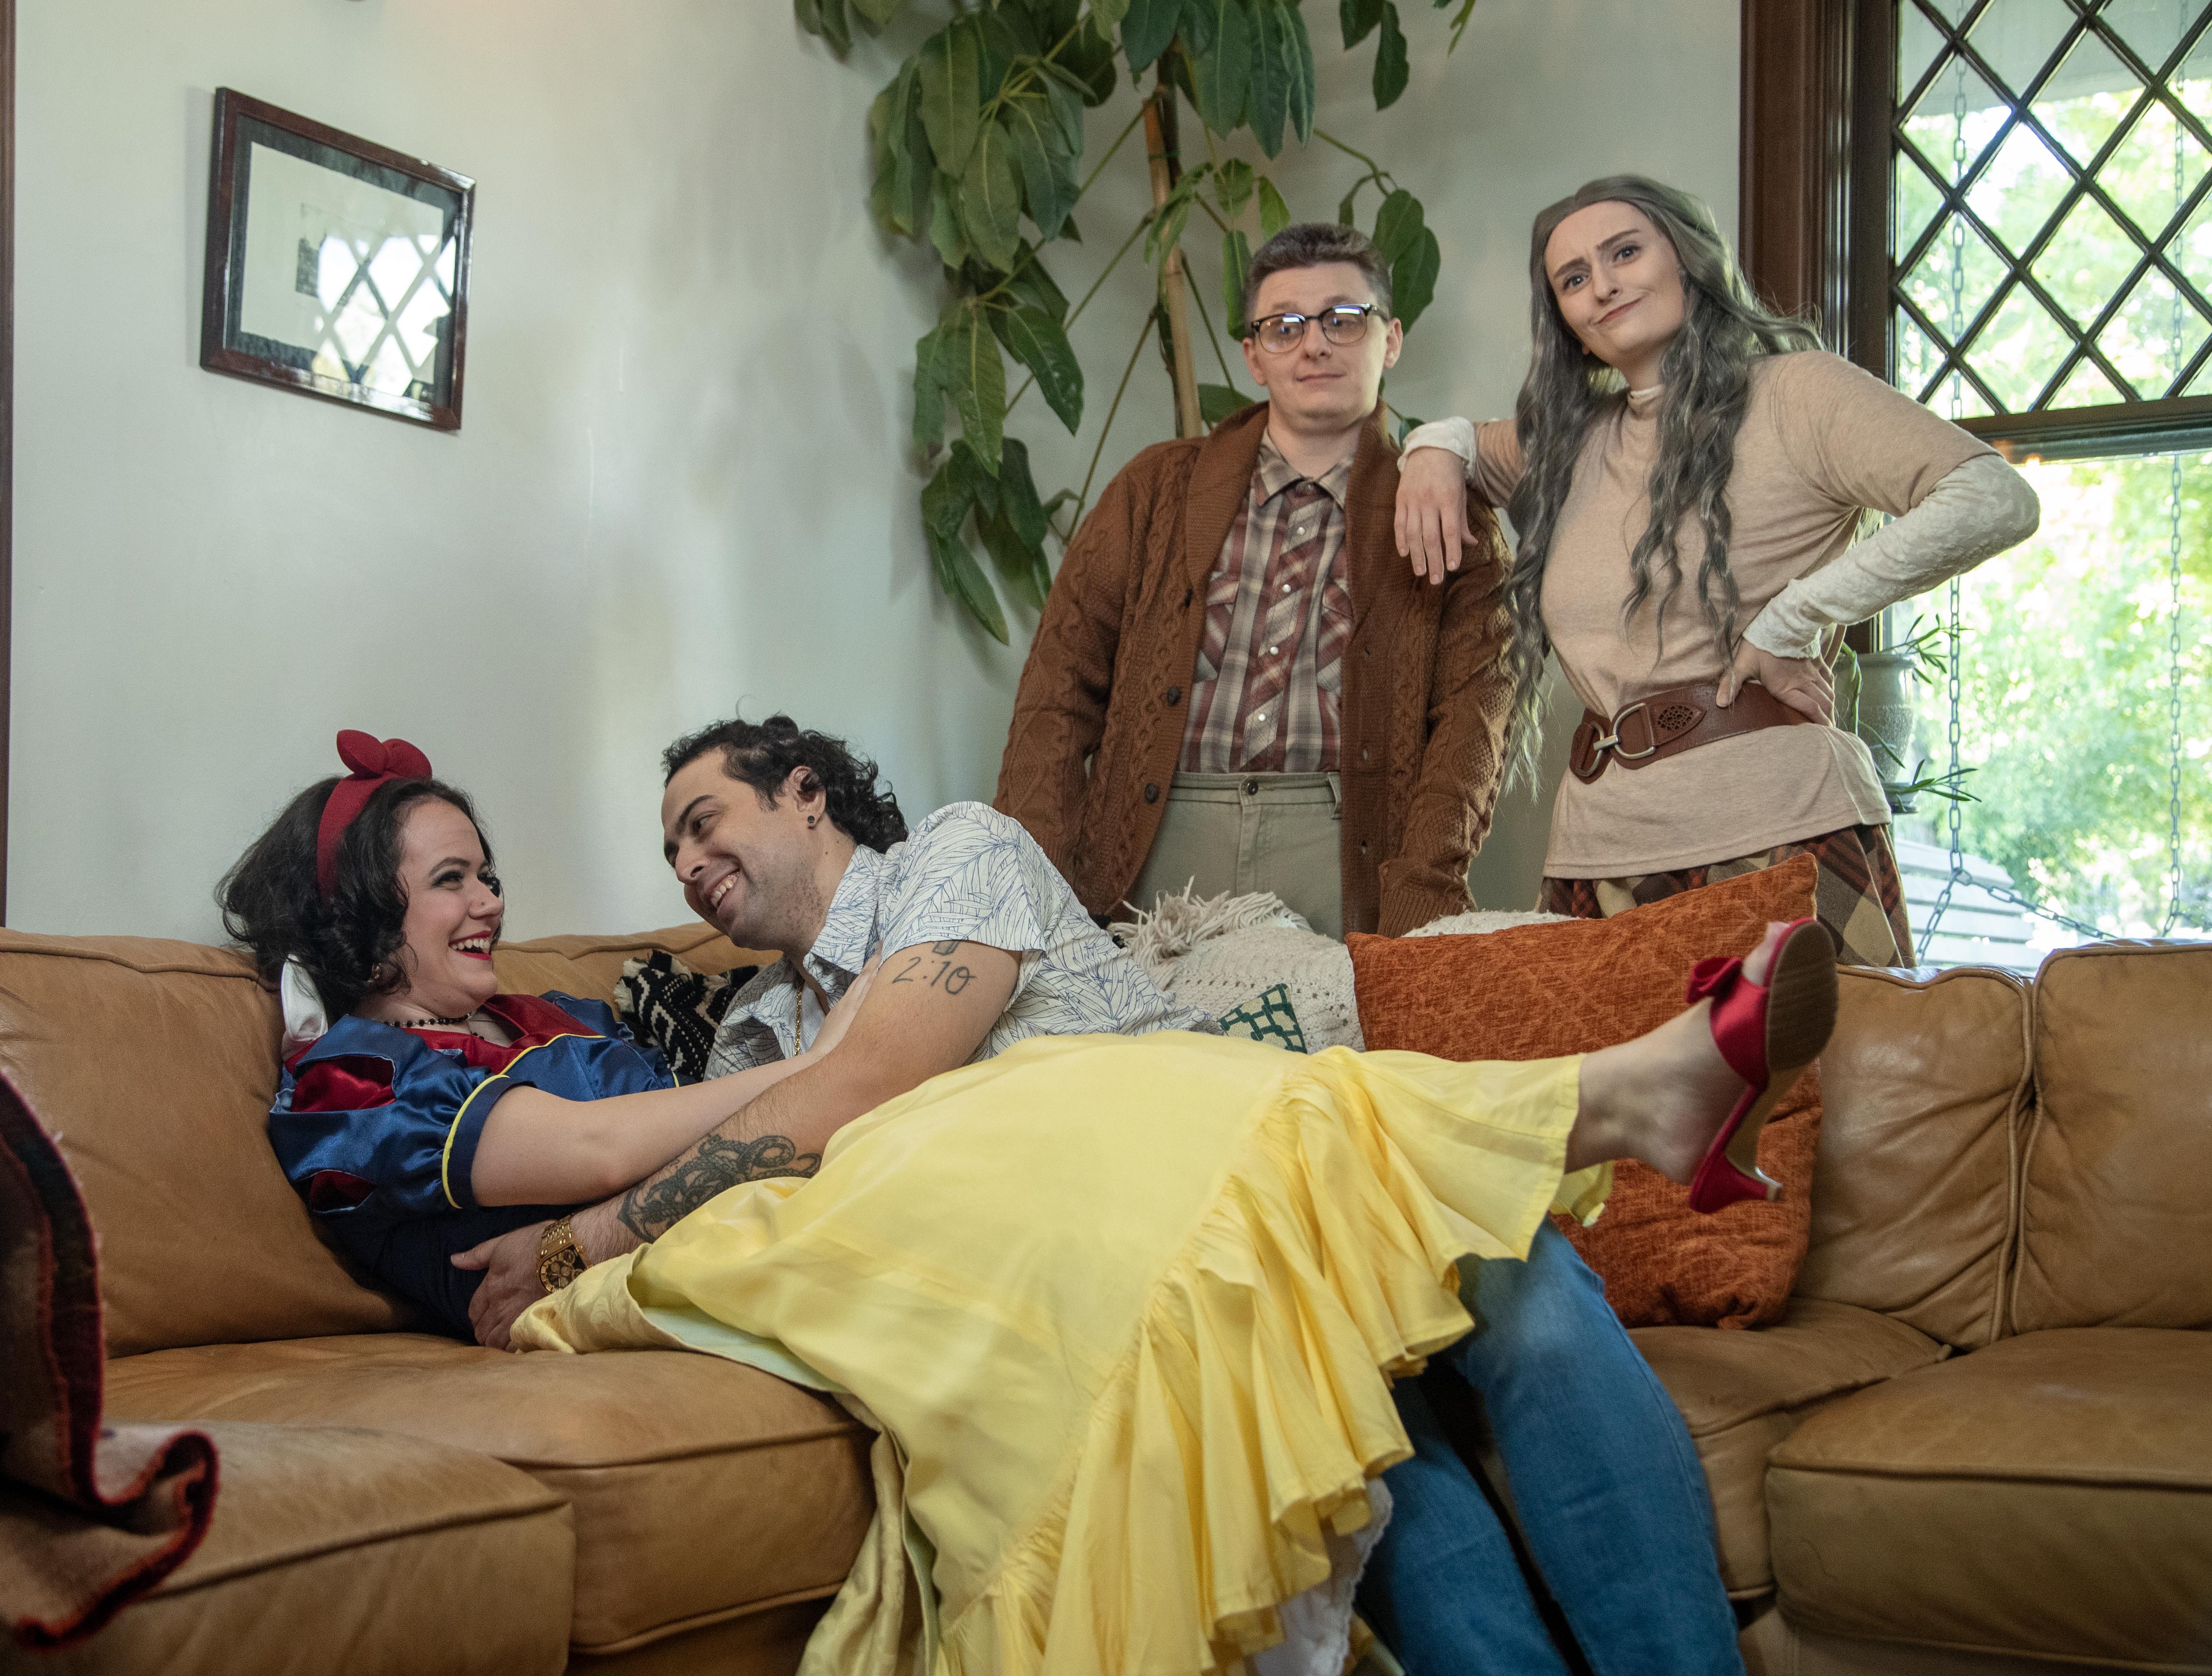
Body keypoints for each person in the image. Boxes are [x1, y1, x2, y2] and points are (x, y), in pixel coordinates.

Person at [457, 714, 1765, 1673]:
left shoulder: (950, 857)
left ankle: (1612, 1100)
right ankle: (1616, 1097)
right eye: (669, 850)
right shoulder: (750, 1038)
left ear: (807, 794)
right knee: (1356, 1461)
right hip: (1127, 1279)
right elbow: (780, 1180)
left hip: (1244, 1160)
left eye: (704, 820)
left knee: (1525, 1298)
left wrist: (581, 1245)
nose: (685, 863)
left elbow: (860, 1087)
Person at [1393, 174, 2041, 967]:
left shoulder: (1798, 392)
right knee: (1601, 1095)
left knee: (1829, 1091)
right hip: (1600, 851)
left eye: (1624, 252)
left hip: (1782, 829)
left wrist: (1791, 618)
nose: (1602, 286)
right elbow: (1457, 439)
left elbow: (1992, 496)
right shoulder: (1568, 441)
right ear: (1564, 320)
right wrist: (1431, 450)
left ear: (1689, 258)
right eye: (1572, 279)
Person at [215, 730, 875, 1335]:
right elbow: (600, 1149)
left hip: (739, 1232)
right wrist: (824, 1061)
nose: (491, 903)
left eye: (486, 877)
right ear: (360, 913)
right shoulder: (353, 1085)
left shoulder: (549, 1017)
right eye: (452, 880)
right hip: (620, 1301)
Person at [995, 222, 1512, 944]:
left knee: (1331, 1056)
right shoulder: (1154, 490)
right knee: (1142, 1057)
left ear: (1389, 340)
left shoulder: (1447, 510)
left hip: (1344, 851)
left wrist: (1420, 891)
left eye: (1343, 320)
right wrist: (1034, 878)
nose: (1314, 345)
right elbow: (1056, 692)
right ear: (1252, 357)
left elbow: (1471, 727)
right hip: (1156, 844)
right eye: (1284, 327)